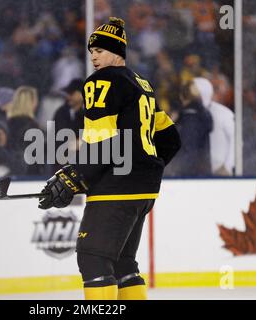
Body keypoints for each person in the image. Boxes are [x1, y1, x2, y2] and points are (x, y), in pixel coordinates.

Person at [37, 17, 181, 300]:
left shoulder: (99, 82)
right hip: (144, 187)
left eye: (100, 51)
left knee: (92, 258)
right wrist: (145, 165)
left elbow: (104, 142)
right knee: (122, 262)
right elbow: (171, 139)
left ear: (117, 51)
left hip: (117, 186)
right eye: (91, 51)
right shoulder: (142, 84)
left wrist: (72, 177)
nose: (93, 56)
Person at [193, 77, 235, 176]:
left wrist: (227, 166)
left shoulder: (223, 113)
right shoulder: (189, 114)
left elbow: (235, 140)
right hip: (197, 171)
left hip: (220, 171)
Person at [172, 81, 213, 176]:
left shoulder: (190, 118)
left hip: (191, 173)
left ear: (182, 97)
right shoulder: (200, 114)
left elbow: (189, 148)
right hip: (201, 171)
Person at [51, 78, 85, 173]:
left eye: (71, 93)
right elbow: (57, 140)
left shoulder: (92, 113)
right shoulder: (61, 113)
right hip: (62, 167)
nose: (68, 97)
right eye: (68, 94)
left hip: (85, 168)